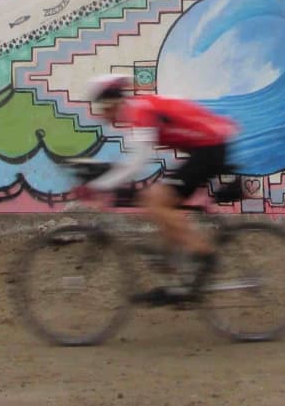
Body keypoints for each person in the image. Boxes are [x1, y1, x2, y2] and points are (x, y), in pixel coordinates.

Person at [74, 74, 239, 305]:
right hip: (204, 147)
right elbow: (133, 160)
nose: (101, 115)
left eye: (102, 107)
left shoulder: (138, 112)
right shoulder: (139, 108)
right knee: (161, 203)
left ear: (112, 102)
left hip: (209, 148)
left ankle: (205, 254)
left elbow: (136, 163)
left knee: (155, 200)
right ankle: (177, 284)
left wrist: (99, 185)